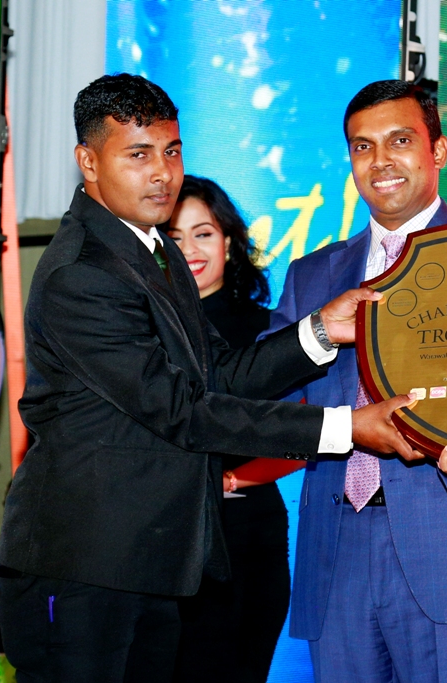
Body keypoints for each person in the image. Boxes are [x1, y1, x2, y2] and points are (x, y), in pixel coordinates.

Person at [0, 73, 420, 683]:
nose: (162, 172)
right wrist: (345, 428)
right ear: (88, 161)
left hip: (155, 562)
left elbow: (217, 371)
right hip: (85, 567)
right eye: (138, 155)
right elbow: (183, 409)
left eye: (172, 151)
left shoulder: (152, 250)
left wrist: (320, 330)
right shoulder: (81, 272)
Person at [264, 80, 447, 683]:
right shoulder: (312, 276)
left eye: (400, 141)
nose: (381, 162)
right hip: (337, 540)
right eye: (362, 147)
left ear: (439, 151)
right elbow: (266, 393)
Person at [160, 175, 289, 682]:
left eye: (204, 233)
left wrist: (233, 481)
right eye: (174, 237)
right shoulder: (138, 328)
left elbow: (302, 436)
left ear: (229, 241)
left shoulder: (270, 329)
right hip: (163, 540)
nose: (189, 249)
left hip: (245, 538)